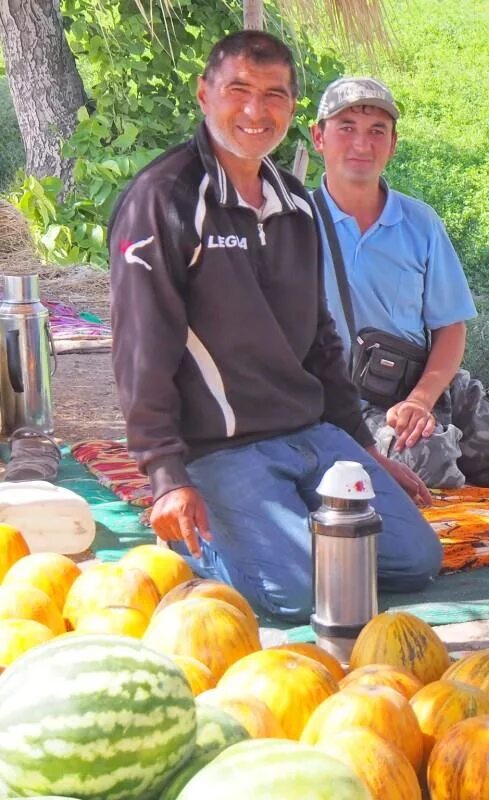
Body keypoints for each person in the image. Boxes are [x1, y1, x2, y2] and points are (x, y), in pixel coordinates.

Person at [108, 31, 442, 622]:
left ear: (292, 107)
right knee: (300, 594)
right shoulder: (163, 198)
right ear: (204, 94)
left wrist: (364, 448)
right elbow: (142, 349)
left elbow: (321, 337)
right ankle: (199, 541)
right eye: (238, 90)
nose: (255, 111)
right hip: (221, 448)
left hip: (311, 434)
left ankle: (278, 521)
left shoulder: (294, 201)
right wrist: (165, 474)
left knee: (415, 561)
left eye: (274, 95)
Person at [310, 76, 489, 492]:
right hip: (348, 403)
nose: (361, 144)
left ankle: (451, 441)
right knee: (425, 464)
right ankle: (443, 456)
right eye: (346, 127)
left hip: (431, 388)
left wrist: (421, 399)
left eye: (376, 131)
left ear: (393, 144)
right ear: (318, 137)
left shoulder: (420, 223)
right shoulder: (293, 224)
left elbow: (450, 326)